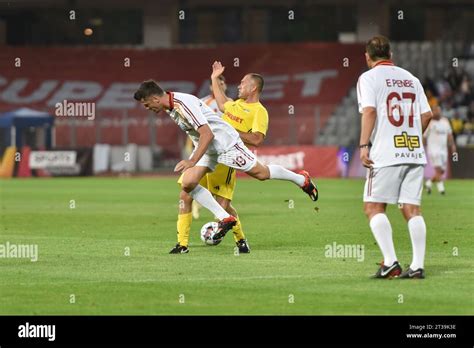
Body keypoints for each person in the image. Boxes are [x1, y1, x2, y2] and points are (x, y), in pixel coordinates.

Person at [133, 80, 318, 254]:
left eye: (147, 105)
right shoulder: (170, 106)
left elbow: (207, 134)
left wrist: (192, 161)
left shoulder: (183, 104)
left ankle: (302, 179)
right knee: (188, 184)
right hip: (206, 147)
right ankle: (224, 218)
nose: (149, 109)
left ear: (155, 98)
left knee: (261, 173)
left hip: (224, 143)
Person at [357, 35, 432, 279]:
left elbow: (369, 111)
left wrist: (363, 144)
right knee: (412, 208)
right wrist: (411, 136)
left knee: (373, 207)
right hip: (413, 151)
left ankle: (390, 262)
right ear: (391, 55)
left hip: (386, 153)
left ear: (367, 57)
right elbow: (427, 115)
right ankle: (418, 266)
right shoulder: (411, 78)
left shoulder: (368, 78)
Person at [424, 105, 457, 195]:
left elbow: (450, 135)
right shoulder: (429, 123)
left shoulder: (445, 121)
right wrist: (422, 148)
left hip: (444, 150)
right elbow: (424, 137)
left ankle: (429, 182)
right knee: (438, 170)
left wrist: (453, 147)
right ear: (432, 112)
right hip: (433, 150)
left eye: (438, 110)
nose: (437, 112)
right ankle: (441, 189)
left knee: (442, 171)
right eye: (435, 111)